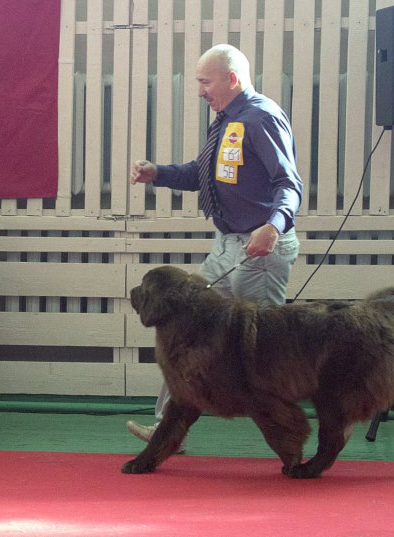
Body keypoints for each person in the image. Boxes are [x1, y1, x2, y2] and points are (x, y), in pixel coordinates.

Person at [126, 44, 302, 451]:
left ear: (232, 80)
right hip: (226, 246)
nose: (200, 91)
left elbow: (288, 185)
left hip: (259, 251)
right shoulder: (227, 120)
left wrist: (272, 228)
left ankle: (297, 431)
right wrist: (160, 174)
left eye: (205, 82)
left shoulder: (261, 118)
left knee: (268, 352)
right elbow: (205, 175)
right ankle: (166, 433)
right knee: (183, 335)